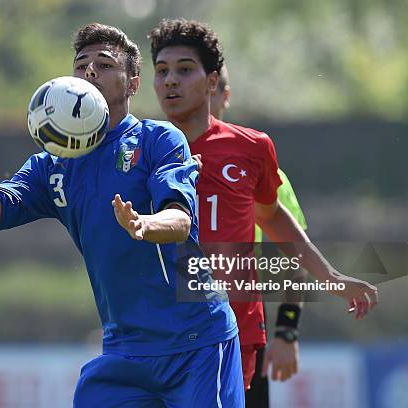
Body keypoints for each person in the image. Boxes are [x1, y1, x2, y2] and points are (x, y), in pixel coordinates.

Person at [0, 23, 244, 407]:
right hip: (124, 351)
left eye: (105, 64)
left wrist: (144, 225)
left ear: (132, 84)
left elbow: (180, 222)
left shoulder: (158, 139)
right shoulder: (51, 165)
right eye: (82, 64)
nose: (90, 71)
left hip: (196, 340)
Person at [149, 17, 378, 404]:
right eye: (162, 71)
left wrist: (330, 280)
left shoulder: (253, 148)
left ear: (212, 83)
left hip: (232, 332)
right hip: (157, 332)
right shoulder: (138, 148)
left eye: (184, 70)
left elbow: (273, 218)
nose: (170, 80)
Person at [211, 66, 310, 406]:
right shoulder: (165, 163)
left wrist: (287, 330)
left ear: (224, 96)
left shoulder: (259, 172)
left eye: (212, 92)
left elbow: (295, 258)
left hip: (244, 320)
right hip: (180, 319)